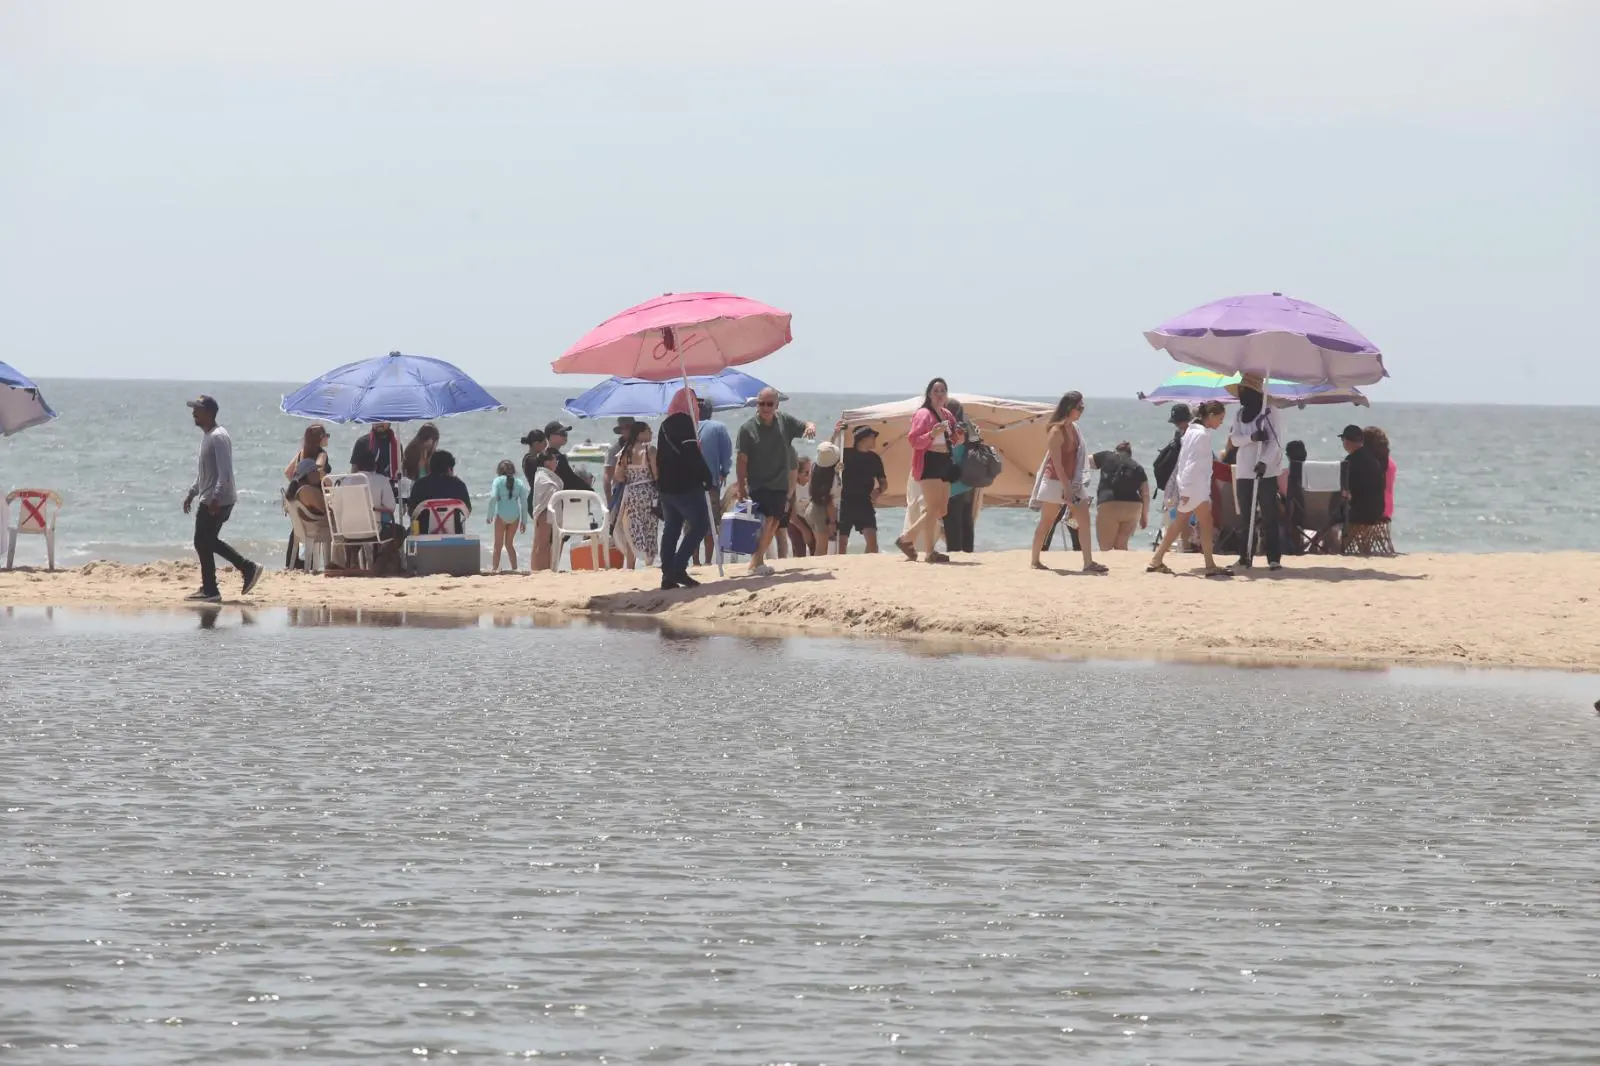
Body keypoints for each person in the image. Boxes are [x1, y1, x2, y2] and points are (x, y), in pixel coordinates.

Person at [181, 395, 261, 601]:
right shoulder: (208, 436)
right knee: (205, 541)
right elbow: (206, 473)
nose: (193, 413)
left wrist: (215, 498)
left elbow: (224, 472)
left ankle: (231, 576)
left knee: (203, 541)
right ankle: (213, 586)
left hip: (217, 500)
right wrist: (192, 492)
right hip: (211, 497)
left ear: (209, 413)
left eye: (197, 409)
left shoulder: (218, 437)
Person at [735, 387, 816, 576]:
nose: (764, 407)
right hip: (758, 483)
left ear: (776, 405)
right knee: (766, 520)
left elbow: (805, 425)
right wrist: (740, 487)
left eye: (769, 404)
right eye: (761, 403)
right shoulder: (747, 429)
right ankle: (757, 562)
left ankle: (756, 562)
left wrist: (810, 427)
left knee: (775, 523)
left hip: (780, 484)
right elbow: (741, 460)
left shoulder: (784, 421)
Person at [1148, 400, 1231, 578]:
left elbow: (1185, 461)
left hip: (1193, 487)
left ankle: (1159, 559)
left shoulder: (1192, 432)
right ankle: (1207, 564)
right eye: (1220, 418)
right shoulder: (1201, 435)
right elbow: (1191, 463)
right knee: (1191, 523)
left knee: (1194, 522)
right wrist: (1185, 491)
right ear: (1211, 416)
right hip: (1194, 488)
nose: (1221, 422)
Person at [1028, 391, 1105, 573]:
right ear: (1069, 408)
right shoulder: (1056, 431)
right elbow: (1056, 464)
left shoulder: (1074, 429)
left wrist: (1072, 486)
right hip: (1055, 481)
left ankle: (1088, 562)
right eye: (1079, 407)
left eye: (1083, 407)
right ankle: (1035, 560)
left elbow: (1077, 459)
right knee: (1047, 521)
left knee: (1084, 520)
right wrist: (1066, 488)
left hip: (1073, 482)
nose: (1081, 411)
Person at [895, 377, 965, 564]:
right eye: (936, 391)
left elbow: (953, 441)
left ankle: (907, 538)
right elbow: (914, 440)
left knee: (941, 509)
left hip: (944, 461)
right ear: (929, 393)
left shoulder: (947, 415)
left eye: (943, 390)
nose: (940, 394)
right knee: (933, 507)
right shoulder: (923, 414)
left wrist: (959, 437)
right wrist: (931, 434)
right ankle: (929, 552)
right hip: (929, 461)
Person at [655, 387, 716, 589]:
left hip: (666, 487)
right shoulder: (685, 423)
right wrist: (707, 477)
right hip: (685, 486)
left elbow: (661, 458)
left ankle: (667, 575)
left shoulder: (665, 425)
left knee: (672, 529)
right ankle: (678, 568)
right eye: (693, 401)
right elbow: (692, 455)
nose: (697, 406)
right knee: (700, 525)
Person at [1227, 375, 1286, 570]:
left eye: (1245, 391)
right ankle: (1245, 556)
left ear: (1255, 393)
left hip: (1265, 473)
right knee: (1246, 516)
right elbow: (1235, 440)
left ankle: (1273, 558)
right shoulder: (1238, 414)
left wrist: (1264, 462)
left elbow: (1276, 444)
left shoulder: (1270, 412)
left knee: (1269, 515)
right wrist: (1251, 437)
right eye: (1240, 391)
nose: (1242, 395)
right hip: (1244, 470)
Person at [614, 420, 660, 567]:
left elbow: (618, 476)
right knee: (650, 527)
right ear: (640, 433)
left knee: (631, 528)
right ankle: (648, 563)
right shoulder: (650, 450)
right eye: (649, 431)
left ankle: (630, 565)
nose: (651, 433)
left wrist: (631, 477)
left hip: (631, 493)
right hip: (648, 492)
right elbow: (656, 474)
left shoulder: (625, 451)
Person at [1340, 424, 1391, 556]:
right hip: (1377, 511)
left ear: (1347, 441)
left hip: (1361, 513)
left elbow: (1346, 489)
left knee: (1330, 514)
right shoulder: (1372, 459)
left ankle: (1335, 547)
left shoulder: (1350, 461)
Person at [695, 398, 735, 565]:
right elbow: (726, 455)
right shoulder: (718, 427)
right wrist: (724, 472)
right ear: (711, 412)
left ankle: (695, 561)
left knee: (692, 524)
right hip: (710, 482)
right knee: (711, 523)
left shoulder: (688, 427)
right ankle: (708, 562)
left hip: (688, 484)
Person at [1091, 441, 1149, 551]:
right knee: (1121, 546)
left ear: (1116, 450)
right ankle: (1122, 567)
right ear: (1130, 454)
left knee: (1105, 547)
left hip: (1109, 503)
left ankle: (1109, 566)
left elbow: (1084, 461)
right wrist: (1144, 516)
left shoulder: (1106, 456)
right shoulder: (1137, 466)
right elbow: (1145, 493)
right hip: (1133, 507)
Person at [837, 426, 886, 554]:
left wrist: (879, 490)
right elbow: (826, 454)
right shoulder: (844, 454)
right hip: (844, 502)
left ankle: (868, 567)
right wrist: (836, 469)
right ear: (863, 438)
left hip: (865, 503)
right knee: (841, 543)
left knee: (872, 543)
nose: (875, 439)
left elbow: (883, 483)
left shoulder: (875, 458)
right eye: (873, 437)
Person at [407, 448, 472, 532]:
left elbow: (411, 512)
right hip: (454, 534)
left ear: (431, 467)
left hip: (424, 534)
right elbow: (467, 511)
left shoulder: (420, 485)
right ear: (449, 469)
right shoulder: (459, 485)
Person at [486, 458, 528, 572]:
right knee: (509, 544)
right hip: (515, 516)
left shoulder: (498, 481)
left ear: (499, 471)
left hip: (501, 516)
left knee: (497, 546)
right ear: (513, 471)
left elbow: (493, 497)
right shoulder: (519, 482)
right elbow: (524, 503)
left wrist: (489, 515)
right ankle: (515, 568)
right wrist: (524, 521)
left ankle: (494, 569)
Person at [528, 450, 563, 571]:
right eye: (555, 461)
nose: (556, 463)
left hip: (546, 511)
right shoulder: (543, 476)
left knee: (543, 544)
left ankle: (541, 569)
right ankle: (541, 570)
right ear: (547, 462)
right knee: (542, 544)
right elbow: (550, 491)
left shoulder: (544, 475)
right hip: (544, 512)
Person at [806, 442, 840, 556]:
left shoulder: (815, 468)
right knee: (821, 548)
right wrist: (832, 522)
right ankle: (817, 570)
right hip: (822, 513)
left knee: (819, 546)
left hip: (812, 508)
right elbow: (829, 502)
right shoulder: (832, 479)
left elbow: (825, 455)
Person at [544, 420, 593, 491]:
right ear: (550, 436)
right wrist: (590, 489)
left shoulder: (545, 455)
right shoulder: (556, 458)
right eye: (561, 433)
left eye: (565, 433)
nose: (565, 435)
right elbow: (571, 480)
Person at [782, 456, 815, 557]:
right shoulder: (793, 488)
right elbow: (792, 518)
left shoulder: (812, 484)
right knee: (799, 550)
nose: (810, 475)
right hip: (795, 520)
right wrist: (805, 530)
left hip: (810, 518)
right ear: (797, 475)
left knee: (814, 546)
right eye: (806, 473)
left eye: (811, 471)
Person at [602, 417, 635, 514]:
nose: (627, 431)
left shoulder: (643, 447)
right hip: (621, 494)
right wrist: (610, 504)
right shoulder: (614, 450)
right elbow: (607, 477)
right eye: (625, 428)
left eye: (629, 428)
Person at [520, 428, 547, 509]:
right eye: (544, 443)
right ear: (536, 444)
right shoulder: (530, 460)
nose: (546, 445)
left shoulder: (529, 458)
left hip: (536, 497)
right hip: (536, 498)